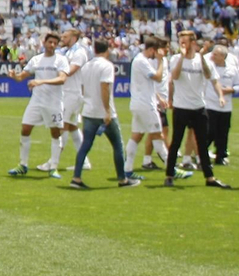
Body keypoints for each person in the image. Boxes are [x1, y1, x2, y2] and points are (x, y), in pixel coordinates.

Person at [67, 40, 141, 189]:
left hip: (89, 111)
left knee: (85, 146)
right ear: (107, 50)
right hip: (104, 113)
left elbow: (83, 88)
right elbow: (105, 88)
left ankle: (76, 177)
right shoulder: (107, 66)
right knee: (118, 146)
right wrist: (107, 110)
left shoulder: (86, 66)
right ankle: (122, 179)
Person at [164, 30, 225, 188]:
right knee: (176, 141)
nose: (181, 44)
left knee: (202, 144)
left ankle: (209, 177)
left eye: (184, 41)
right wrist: (183, 56)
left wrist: (221, 95)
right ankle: (169, 175)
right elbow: (175, 77)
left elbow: (209, 76)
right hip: (181, 106)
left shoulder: (202, 60)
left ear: (193, 42)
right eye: (180, 41)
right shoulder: (177, 59)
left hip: (199, 106)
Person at [7, 32, 69, 178]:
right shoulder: (36, 60)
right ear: (44, 43)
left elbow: (62, 79)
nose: (52, 45)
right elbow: (22, 76)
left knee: (55, 133)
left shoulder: (60, 60)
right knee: (25, 128)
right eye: (50, 42)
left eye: (55, 43)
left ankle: (53, 166)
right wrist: (14, 76)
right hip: (36, 101)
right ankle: (23, 164)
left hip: (53, 102)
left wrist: (41, 82)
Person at [125, 36, 171, 174]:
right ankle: (171, 169)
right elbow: (157, 78)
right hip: (146, 104)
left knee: (136, 136)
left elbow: (149, 83)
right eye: (155, 52)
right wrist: (161, 60)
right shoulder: (142, 61)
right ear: (152, 49)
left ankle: (127, 169)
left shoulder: (140, 60)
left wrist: (158, 98)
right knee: (158, 135)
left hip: (139, 103)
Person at [54, 27, 92, 172]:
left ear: (73, 38)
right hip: (67, 92)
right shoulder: (65, 51)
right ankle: (85, 162)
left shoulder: (79, 52)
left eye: (65, 37)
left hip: (72, 93)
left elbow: (70, 71)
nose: (62, 39)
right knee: (72, 127)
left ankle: (53, 161)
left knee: (62, 125)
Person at [204, 41, 239, 168]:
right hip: (210, 104)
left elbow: (238, 85)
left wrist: (231, 90)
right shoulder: (208, 67)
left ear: (223, 57)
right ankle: (201, 153)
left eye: (216, 54)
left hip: (226, 106)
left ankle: (221, 156)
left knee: (223, 132)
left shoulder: (232, 69)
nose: (213, 56)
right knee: (210, 131)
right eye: (213, 53)